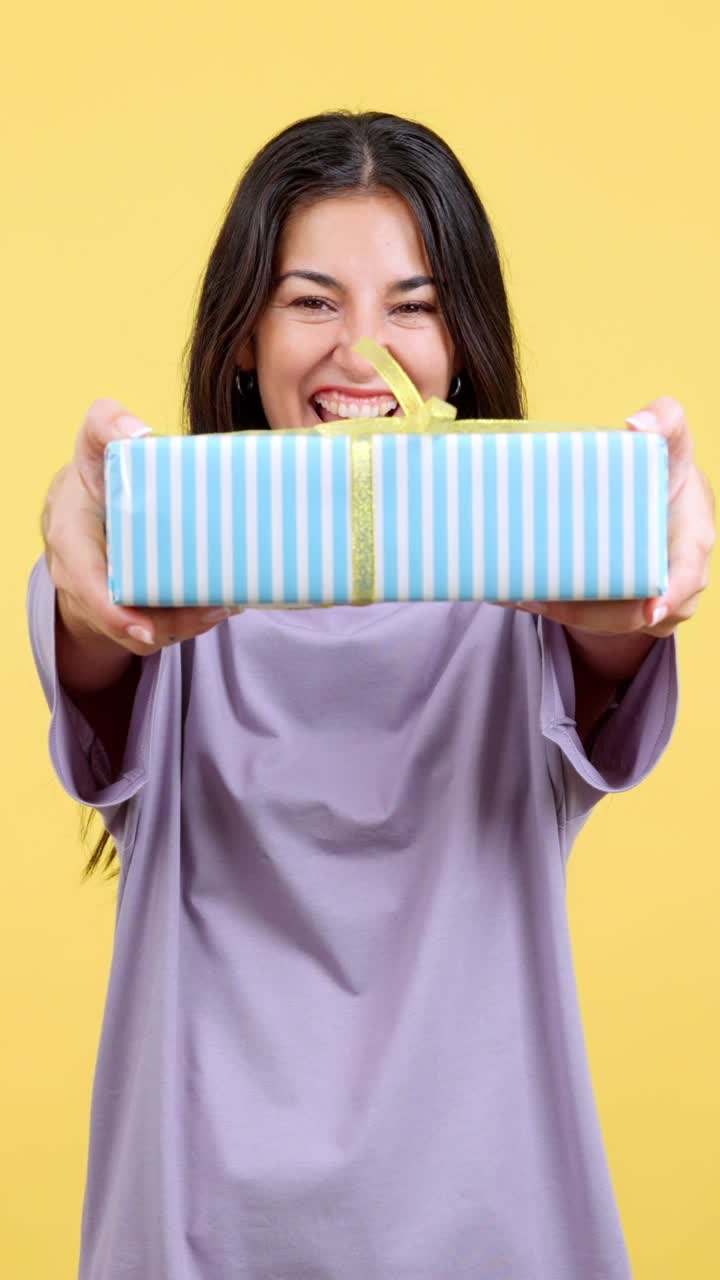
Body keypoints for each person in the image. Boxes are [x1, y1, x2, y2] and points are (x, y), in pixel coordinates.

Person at [28, 110, 714, 1280]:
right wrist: (85, 555)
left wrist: (642, 567)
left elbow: (617, 640)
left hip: (492, 1231)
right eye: (312, 300)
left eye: (413, 303)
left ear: (461, 340)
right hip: (199, 1238)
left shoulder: (526, 601)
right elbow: (94, 636)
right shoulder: (168, 582)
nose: (363, 349)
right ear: (245, 334)